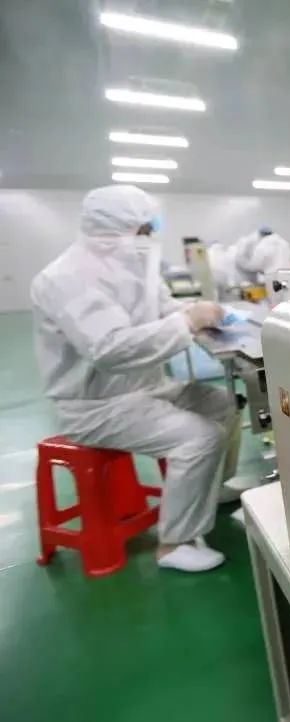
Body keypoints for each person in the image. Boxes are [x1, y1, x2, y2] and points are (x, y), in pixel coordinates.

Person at [30, 185, 236, 572]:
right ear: (109, 229)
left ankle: (210, 492)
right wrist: (186, 323)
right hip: (95, 406)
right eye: (142, 230)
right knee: (200, 437)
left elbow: (163, 307)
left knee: (222, 405)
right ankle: (173, 544)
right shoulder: (64, 279)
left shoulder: (133, 266)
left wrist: (197, 311)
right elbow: (109, 348)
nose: (148, 239)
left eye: (149, 230)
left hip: (144, 388)